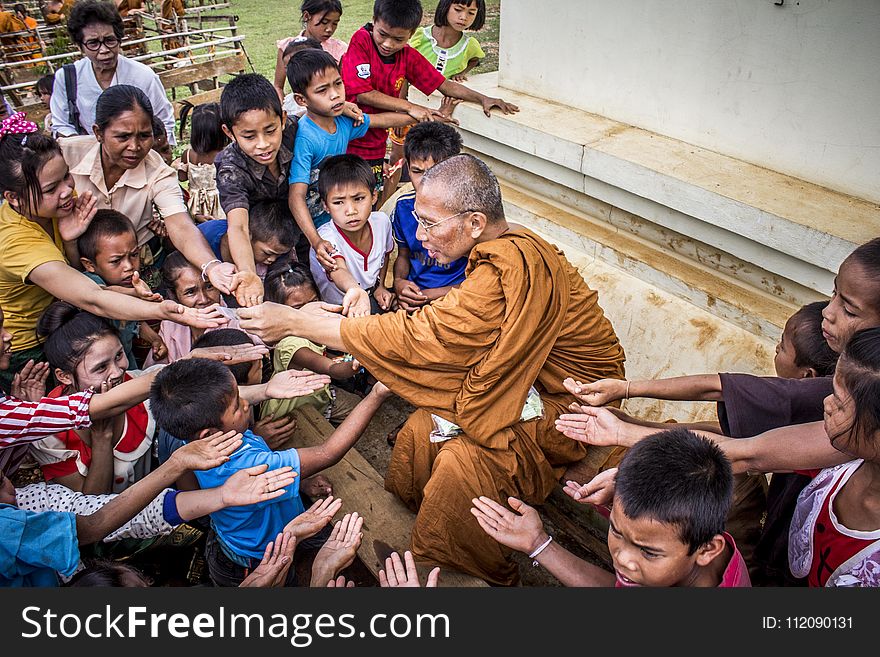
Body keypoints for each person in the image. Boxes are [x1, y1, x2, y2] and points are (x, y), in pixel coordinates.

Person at [237, 154, 626, 585]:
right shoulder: (504, 247)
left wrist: (299, 321)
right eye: (418, 223)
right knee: (424, 428)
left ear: (476, 222)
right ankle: (421, 511)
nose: (420, 238)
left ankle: (467, 569)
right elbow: (461, 335)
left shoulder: (513, 263)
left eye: (430, 224)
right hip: (530, 383)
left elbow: (428, 337)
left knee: (464, 461)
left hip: (575, 403)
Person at [559, 238, 880, 585]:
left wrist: (626, 431)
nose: (826, 405)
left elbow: (746, 453)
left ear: (709, 550)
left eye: (849, 309)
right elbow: (743, 447)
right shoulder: (844, 438)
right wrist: (631, 436)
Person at [0, 113, 226, 390]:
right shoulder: (14, 240)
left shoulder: (57, 207)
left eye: (66, 178)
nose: (66, 190)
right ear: (14, 198)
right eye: (51, 188)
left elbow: (80, 277)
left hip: (65, 317)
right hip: (26, 348)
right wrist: (168, 311)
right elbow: (91, 297)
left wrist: (70, 241)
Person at [149, 357, 392, 586]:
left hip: (241, 537)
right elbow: (328, 453)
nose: (246, 404)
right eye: (236, 405)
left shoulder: (189, 444)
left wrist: (299, 482)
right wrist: (377, 394)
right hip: (257, 559)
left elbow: (191, 491)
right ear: (210, 433)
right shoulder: (247, 463)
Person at [472, 428, 751, 587]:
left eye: (648, 551)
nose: (622, 559)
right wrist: (537, 543)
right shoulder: (688, 543)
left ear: (707, 549)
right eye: (616, 532)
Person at [0, 429, 243, 586]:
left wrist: (219, 496)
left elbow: (103, 510)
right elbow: (93, 525)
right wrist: (176, 465)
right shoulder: (7, 528)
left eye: (2, 478)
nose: (9, 491)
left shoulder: (31, 501)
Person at [59, 85, 237, 296]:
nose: (135, 147)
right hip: (71, 268)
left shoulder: (158, 171)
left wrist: (211, 266)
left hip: (136, 273)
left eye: (144, 136)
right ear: (98, 133)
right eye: (123, 137)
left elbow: (180, 225)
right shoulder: (65, 154)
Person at [340, 0, 517, 206]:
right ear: (374, 22)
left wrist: (482, 98)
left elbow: (443, 84)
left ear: (411, 34)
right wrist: (410, 106)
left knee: (368, 198)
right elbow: (362, 93)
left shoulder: (407, 56)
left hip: (376, 144)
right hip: (347, 138)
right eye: (383, 34)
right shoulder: (361, 40)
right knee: (345, 198)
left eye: (398, 39)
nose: (388, 44)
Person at [287, 48, 422, 258]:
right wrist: (315, 240)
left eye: (338, 84)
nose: (335, 94)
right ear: (301, 100)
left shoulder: (341, 120)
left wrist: (419, 115)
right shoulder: (306, 138)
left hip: (338, 215)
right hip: (312, 230)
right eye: (322, 90)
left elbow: (379, 121)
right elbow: (296, 196)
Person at [29, 302, 158, 494]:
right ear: (64, 376)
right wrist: (102, 437)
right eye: (100, 367)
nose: (117, 372)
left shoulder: (141, 385)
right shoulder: (49, 432)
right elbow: (90, 507)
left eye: (119, 355)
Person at [215, 73, 302, 307]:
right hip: (257, 238)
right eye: (249, 136)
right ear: (229, 133)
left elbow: (315, 114)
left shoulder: (294, 130)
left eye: (270, 131)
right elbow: (238, 226)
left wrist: (342, 108)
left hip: (293, 226)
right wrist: (248, 274)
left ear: (282, 120)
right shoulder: (230, 170)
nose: (263, 144)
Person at [49, 1, 176, 143]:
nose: (104, 50)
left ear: (119, 39)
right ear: (80, 46)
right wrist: (88, 149)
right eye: (93, 43)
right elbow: (61, 125)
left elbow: (164, 122)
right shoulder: (67, 78)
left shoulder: (143, 76)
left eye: (110, 40)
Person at [261, 262, 362, 427]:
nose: (311, 310)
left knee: (357, 407)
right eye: (298, 307)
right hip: (290, 414)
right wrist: (361, 361)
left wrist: (346, 358)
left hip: (319, 395)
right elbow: (332, 369)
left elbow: (325, 356)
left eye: (314, 301)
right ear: (278, 311)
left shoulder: (313, 329)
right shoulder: (291, 344)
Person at [390, 121, 466, 311]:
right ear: (407, 167)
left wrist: (432, 295)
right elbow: (404, 255)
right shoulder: (402, 207)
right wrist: (399, 282)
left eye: (435, 172)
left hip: (455, 298)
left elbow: (480, 278)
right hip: (414, 295)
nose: (425, 181)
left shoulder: (469, 214)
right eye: (417, 171)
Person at [77, 209, 168, 367]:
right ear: (89, 265)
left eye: (133, 255)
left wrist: (154, 339)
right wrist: (133, 292)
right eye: (116, 261)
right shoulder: (89, 281)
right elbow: (102, 294)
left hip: (126, 361)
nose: (128, 266)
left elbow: (132, 322)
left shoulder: (131, 282)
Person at [308, 154, 396, 316]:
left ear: (374, 196)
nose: (351, 211)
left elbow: (385, 255)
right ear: (325, 206)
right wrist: (355, 290)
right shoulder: (325, 238)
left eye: (359, 198)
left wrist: (380, 287)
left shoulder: (382, 222)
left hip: (368, 297)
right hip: (337, 309)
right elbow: (338, 269)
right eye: (338, 202)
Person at [144, 251, 245, 365]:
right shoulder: (169, 325)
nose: (203, 299)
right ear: (174, 295)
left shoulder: (238, 323)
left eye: (209, 286)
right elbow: (151, 373)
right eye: (190, 292)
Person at [198, 200, 298, 281]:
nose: (272, 259)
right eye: (267, 253)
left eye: (278, 255)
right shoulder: (204, 239)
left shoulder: (280, 255)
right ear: (247, 235)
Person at [274, 0, 348, 104]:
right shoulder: (287, 48)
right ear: (306, 16)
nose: (329, 29)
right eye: (324, 22)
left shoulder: (339, 49)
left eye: (335, 23)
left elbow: (343, 86)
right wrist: (282, 112)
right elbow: (278, 87)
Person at [176, 101, 229, 222]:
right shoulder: (226, 154)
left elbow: (182, 178)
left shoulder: (188, 154)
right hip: (221, 205)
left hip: (196, 208)